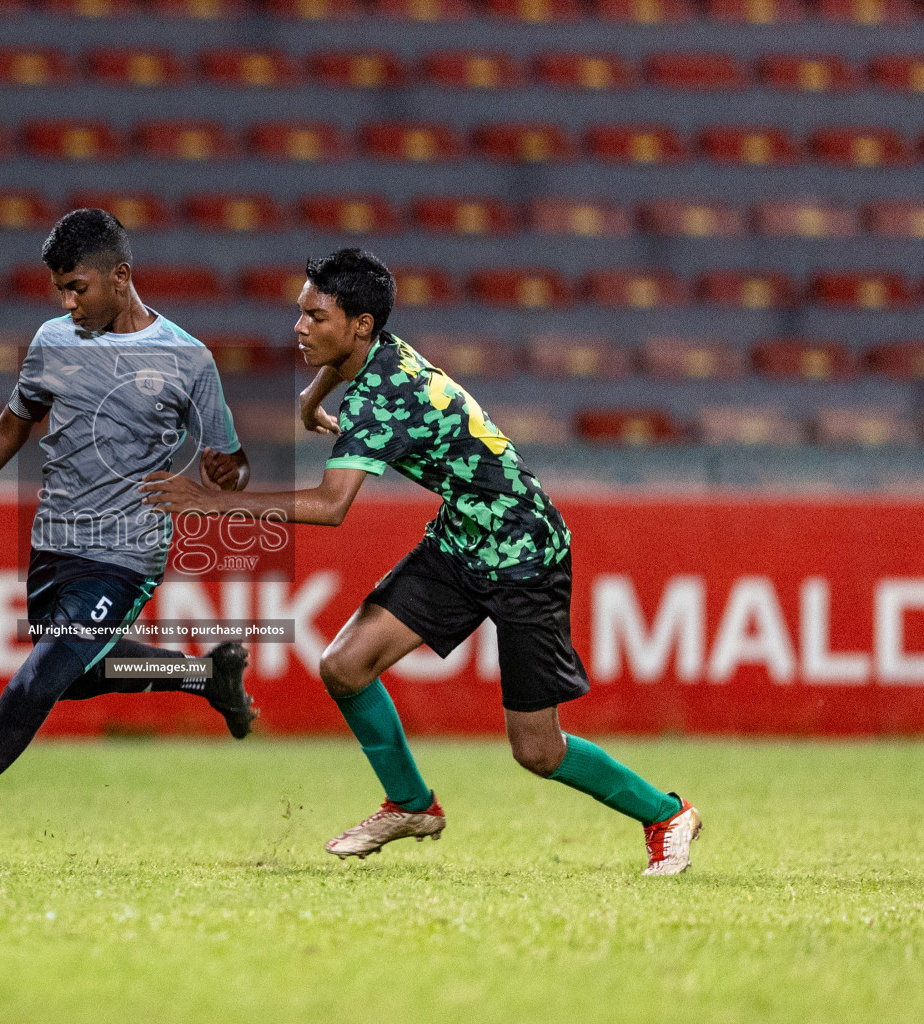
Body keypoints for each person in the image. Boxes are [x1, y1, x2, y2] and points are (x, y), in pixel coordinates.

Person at [140, 248, 702, 876]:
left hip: (524, 555)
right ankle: (411, 804)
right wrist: (309, 401)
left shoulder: (385, 397)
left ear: (359, 325)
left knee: (538, 751)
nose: (299, 327)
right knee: (346, 665)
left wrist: (211, 503)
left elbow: (330, 507)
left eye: (315, 317)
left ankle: (665, 814)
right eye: (300, 312)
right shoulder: (372, 349)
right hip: (461, 540)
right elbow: (343, 370)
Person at [0, 209, 258, 873]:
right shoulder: (54, 341)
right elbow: (10, 426)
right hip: (55, 548)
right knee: (73, 678)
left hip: (126, 555)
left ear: (121, 276)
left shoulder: (187, 358)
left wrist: (217, 478)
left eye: (77, 287)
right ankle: (203, 676)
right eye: (60, 289)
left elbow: (230, 460)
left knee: (34, 685)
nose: (67, 302)